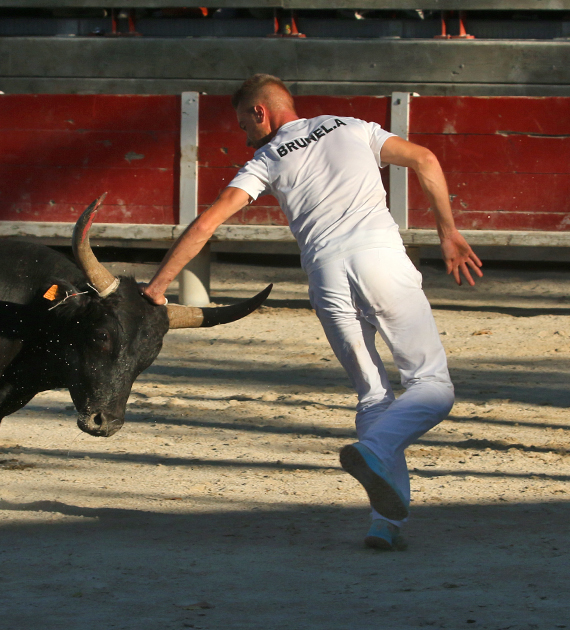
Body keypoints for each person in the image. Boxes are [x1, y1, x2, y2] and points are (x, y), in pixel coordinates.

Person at [142, 74, 483, 550]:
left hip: (326, 276)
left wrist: (158, 286)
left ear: (260, 112)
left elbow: (209, 220)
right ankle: (375, 455)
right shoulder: (353, 125)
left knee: (372, 397)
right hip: (381, 260)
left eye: (243, 121)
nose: (243, 133)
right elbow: (425, 159)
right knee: (433, 385)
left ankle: (385, 525)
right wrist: (447, 231)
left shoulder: (266, 157)